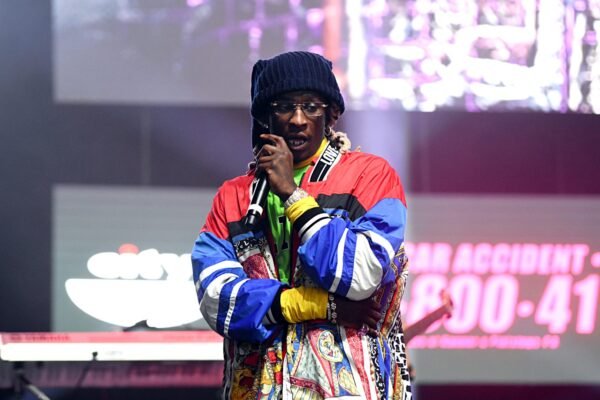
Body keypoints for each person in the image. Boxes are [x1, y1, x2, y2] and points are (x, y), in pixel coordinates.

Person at [192, 51, 411, 400]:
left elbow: (359, 276)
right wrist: (308, 304)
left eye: (311, 107)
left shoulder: (370, 176)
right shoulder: (234, 196)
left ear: (332, 114)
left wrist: (292, 196)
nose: (297, 119)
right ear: (265, 118)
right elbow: (216, 300)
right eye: (283, 106)